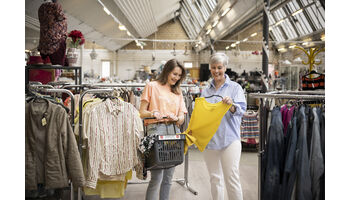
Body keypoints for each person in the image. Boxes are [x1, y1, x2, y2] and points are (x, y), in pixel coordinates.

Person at [139, 59, 187, 200]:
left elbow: (182, 117)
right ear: (167, 71)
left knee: (168, 178)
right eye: (174, 74)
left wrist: (176, 118)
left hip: (173, 132)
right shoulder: (152, 86)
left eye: (179, 76)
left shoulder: (178, 91)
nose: (176, 78)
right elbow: (141, 112)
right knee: (157, 177)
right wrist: (153, 113)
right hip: (156, 131)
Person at [201, 52, 247, 200]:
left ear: (225, 67)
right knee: (215, 179)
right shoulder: (205, 91)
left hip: (230, 140)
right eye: (213, 67)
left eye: (219, 67)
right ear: (210, 68)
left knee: (231, 178)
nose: (216, 71)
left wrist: (231, 105)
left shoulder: (235, 88)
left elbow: (240, 110)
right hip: (210, 140)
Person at [38, 0, 67, 66]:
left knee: (46, 70)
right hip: (56, 43)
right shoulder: (55, 6)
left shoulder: (41, 8)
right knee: (57, 68)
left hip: (44, 44)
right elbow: (62, 18)